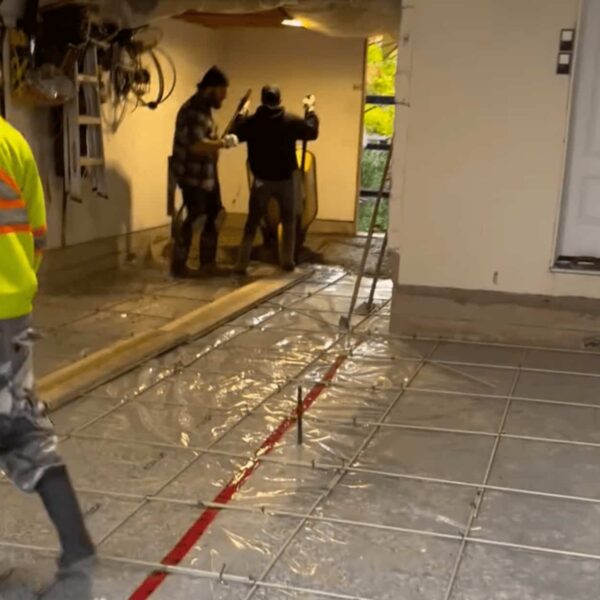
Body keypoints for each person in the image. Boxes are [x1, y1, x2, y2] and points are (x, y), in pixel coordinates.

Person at [0, 117, 95, 599]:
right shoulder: (13, 140)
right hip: (11, 316)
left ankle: (79, 553)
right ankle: (77, 548)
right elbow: (36, 235)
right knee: (20, 427)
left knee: (17, 429)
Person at [232, 85, 319, 274]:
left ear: (262, 101)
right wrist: (310, 109)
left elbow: (235, 133)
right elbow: (312, 132)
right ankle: (287, 261)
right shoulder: (290, 121)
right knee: (289, 220)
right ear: (279, 101)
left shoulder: (253, 122)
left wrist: (242, 112)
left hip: (261, 180)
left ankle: (241, 264)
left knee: (252, 222)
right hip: (286, 179)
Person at [170, 65, 239, 277]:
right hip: (192, 176)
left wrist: (217, 146)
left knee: (216, 215)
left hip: (207, 175)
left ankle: (208, 263)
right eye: (221, 94)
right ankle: (179, 265)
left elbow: (206, 141)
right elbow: (196, 145)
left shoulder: (205, 110)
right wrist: (222, 144)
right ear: (210, 89)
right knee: (196, 216)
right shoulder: (192, 110)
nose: (222, 100)